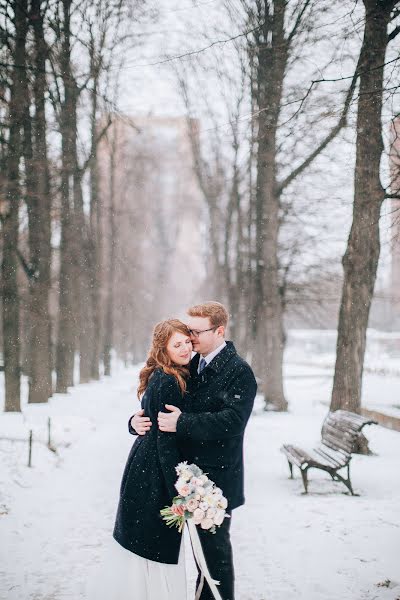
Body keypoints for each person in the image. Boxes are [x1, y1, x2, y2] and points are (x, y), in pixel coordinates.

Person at [131, 301, 258, 600]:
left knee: (214, 560)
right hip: (185, 478)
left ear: (220, 331)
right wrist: (135, 421)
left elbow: (233, 421)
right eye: (188, 332)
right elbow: (161, 400)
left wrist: (182, 423)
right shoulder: (190, 362)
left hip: (216, 481)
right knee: (198, 557)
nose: (190, 338)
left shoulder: (239, 371)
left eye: (196, 332)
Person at [88, 319, 193, 600]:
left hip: (145, 466)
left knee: (149, 541)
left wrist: (134, 422)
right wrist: (178, 489)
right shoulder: (169, 380)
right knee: (154, 541)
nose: (184, 348)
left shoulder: (170, 374)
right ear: (163, 349)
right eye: (177, 344)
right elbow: (164, 438)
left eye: (187, 342)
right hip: (154, 473)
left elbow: (146, 418)